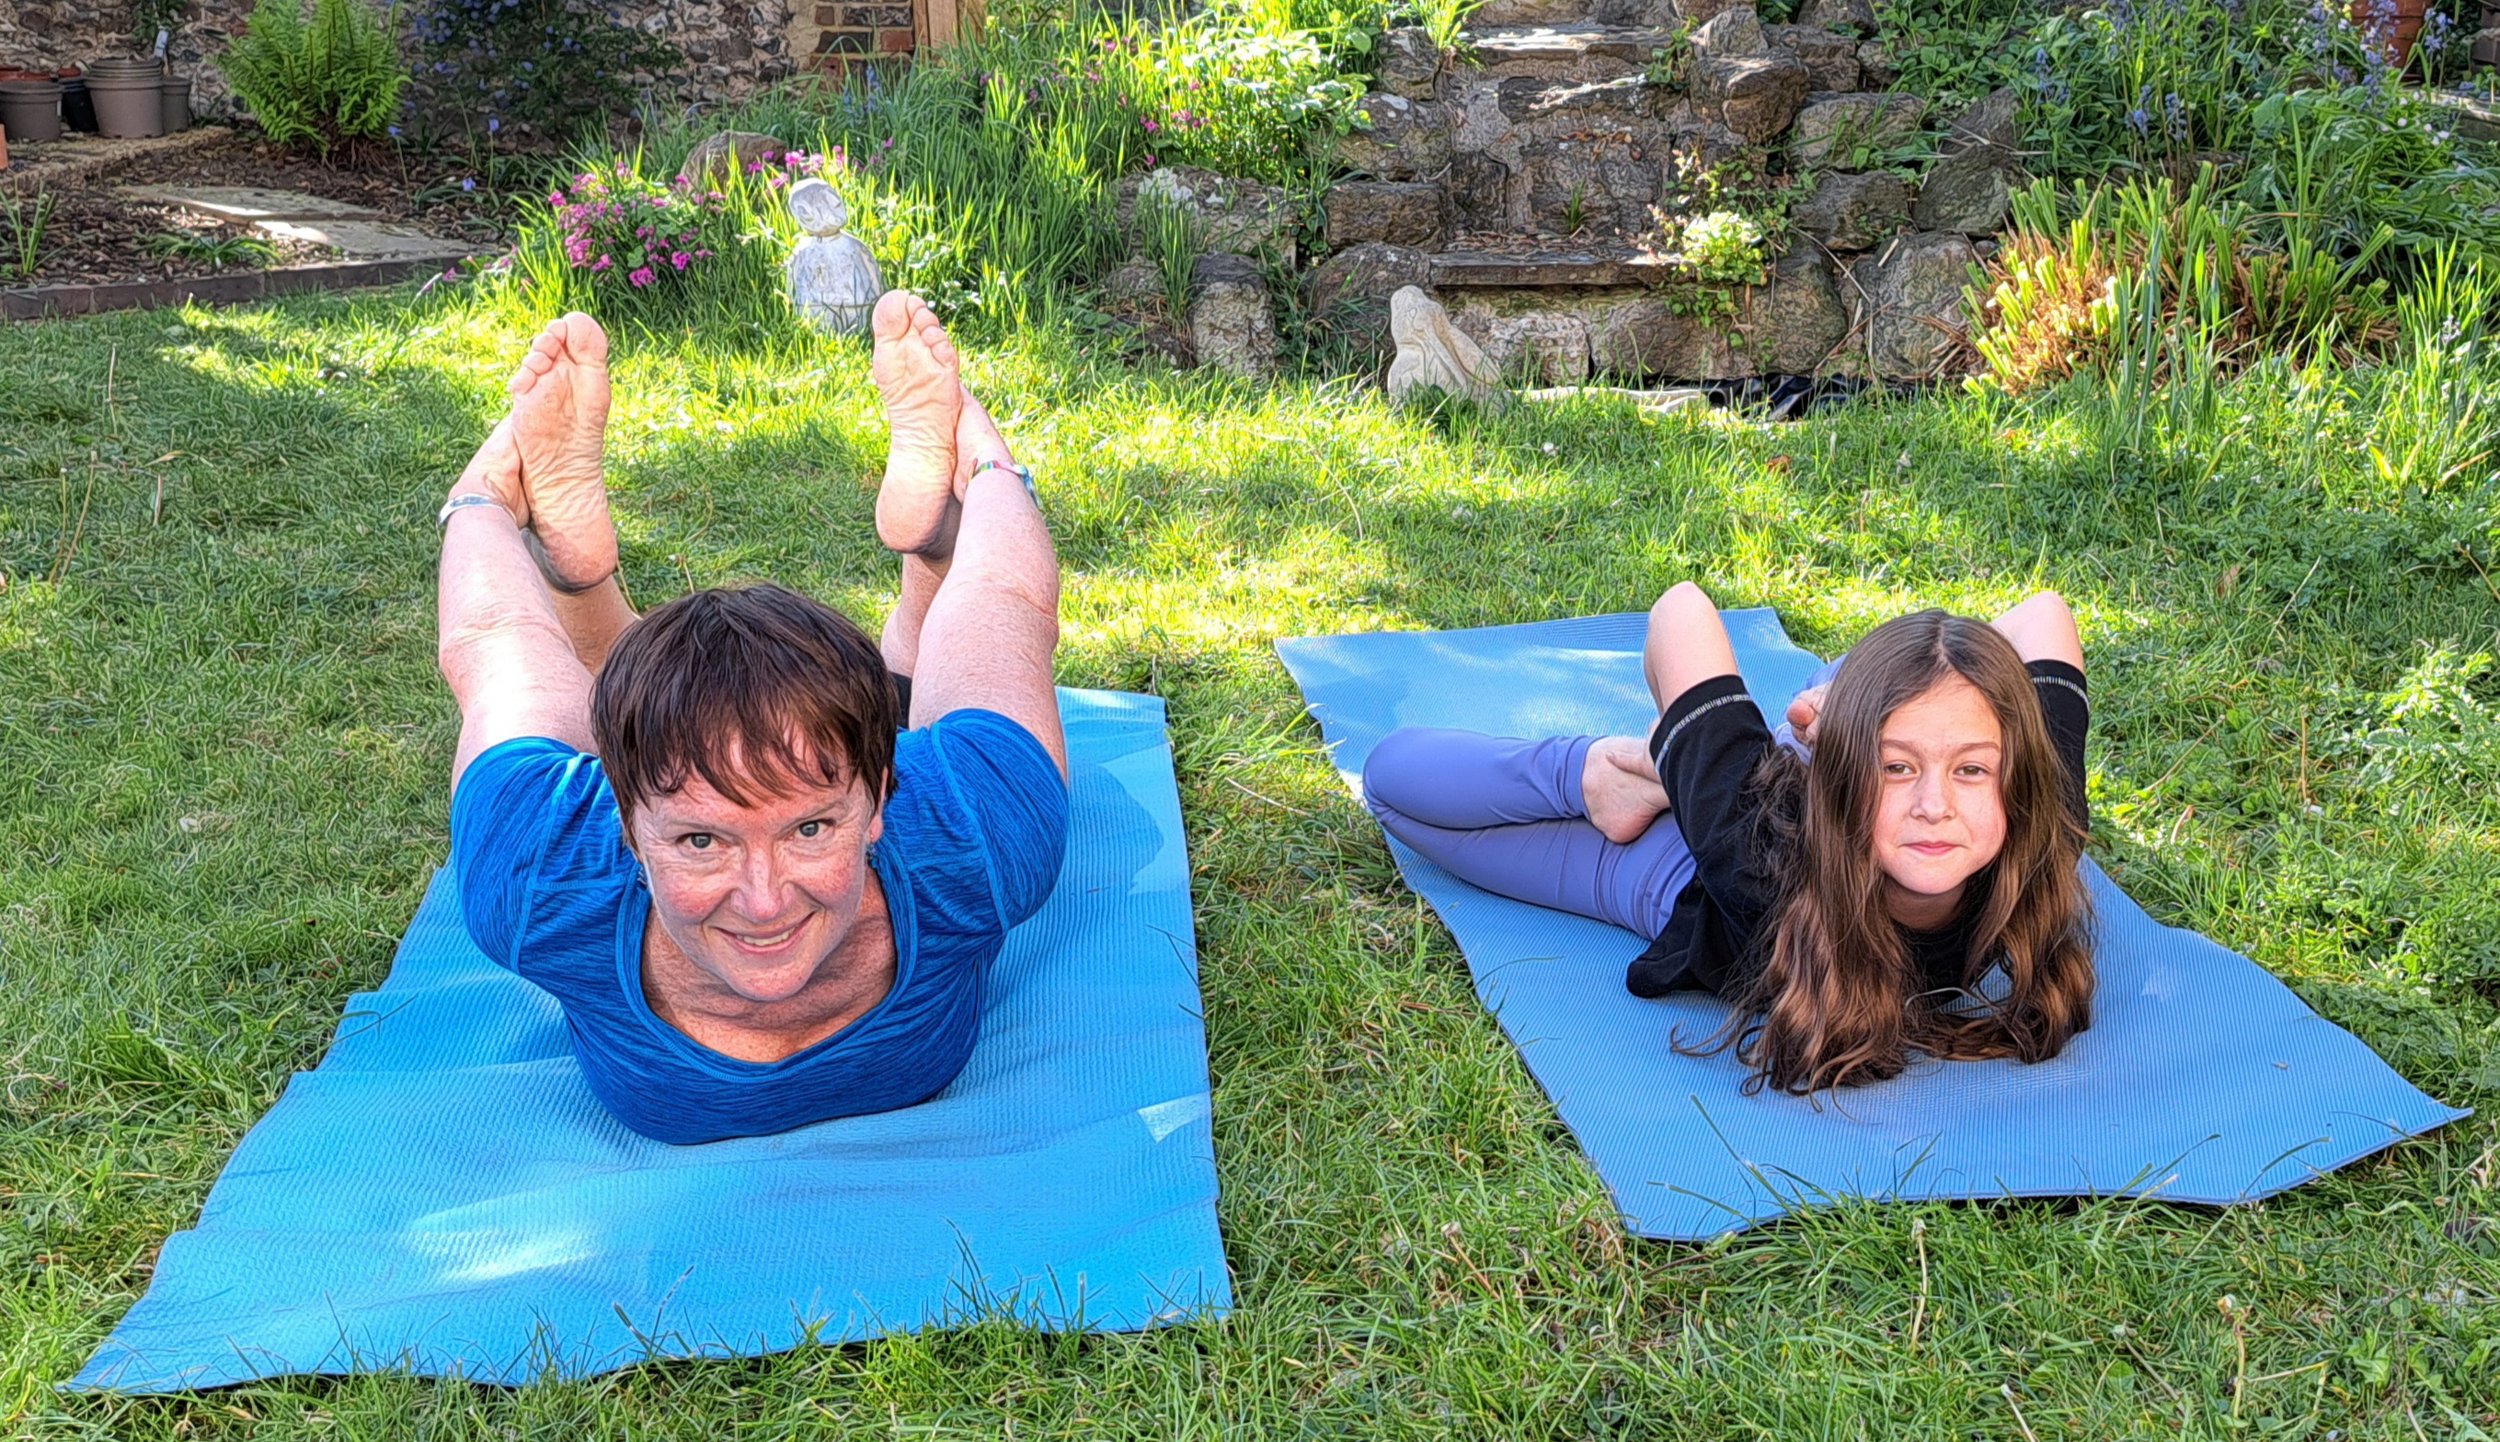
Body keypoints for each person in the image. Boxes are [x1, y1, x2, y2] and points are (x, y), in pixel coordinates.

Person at [434, 292, 1068, 1144]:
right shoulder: (542, 874)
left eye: (810, 830)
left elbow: (1008, 603)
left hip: (911, 812)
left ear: (884, 798)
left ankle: (939, 524)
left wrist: (984, 463)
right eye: (702, 840)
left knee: (939, 639)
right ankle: (571, 566)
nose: (765, 903)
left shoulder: (973, 839)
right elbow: (492, 643)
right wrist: (481, 503)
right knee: (607, 700)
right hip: (655, 806)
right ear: (621, 823)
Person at [1361, 584, 2095, 1095]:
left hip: (1806, 769)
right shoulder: (1753, 846)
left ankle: (1824, 724)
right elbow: (1681, 609)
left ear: (2017, 775)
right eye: (1896, 767)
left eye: (1971, 770)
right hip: (1691, 868)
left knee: (1926, 708)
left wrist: (1925, 726)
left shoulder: (2038, 821)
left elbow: (2042, 611)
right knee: (1402, 795)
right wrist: (1577, 777)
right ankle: (1627, 770)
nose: (1936, 806)